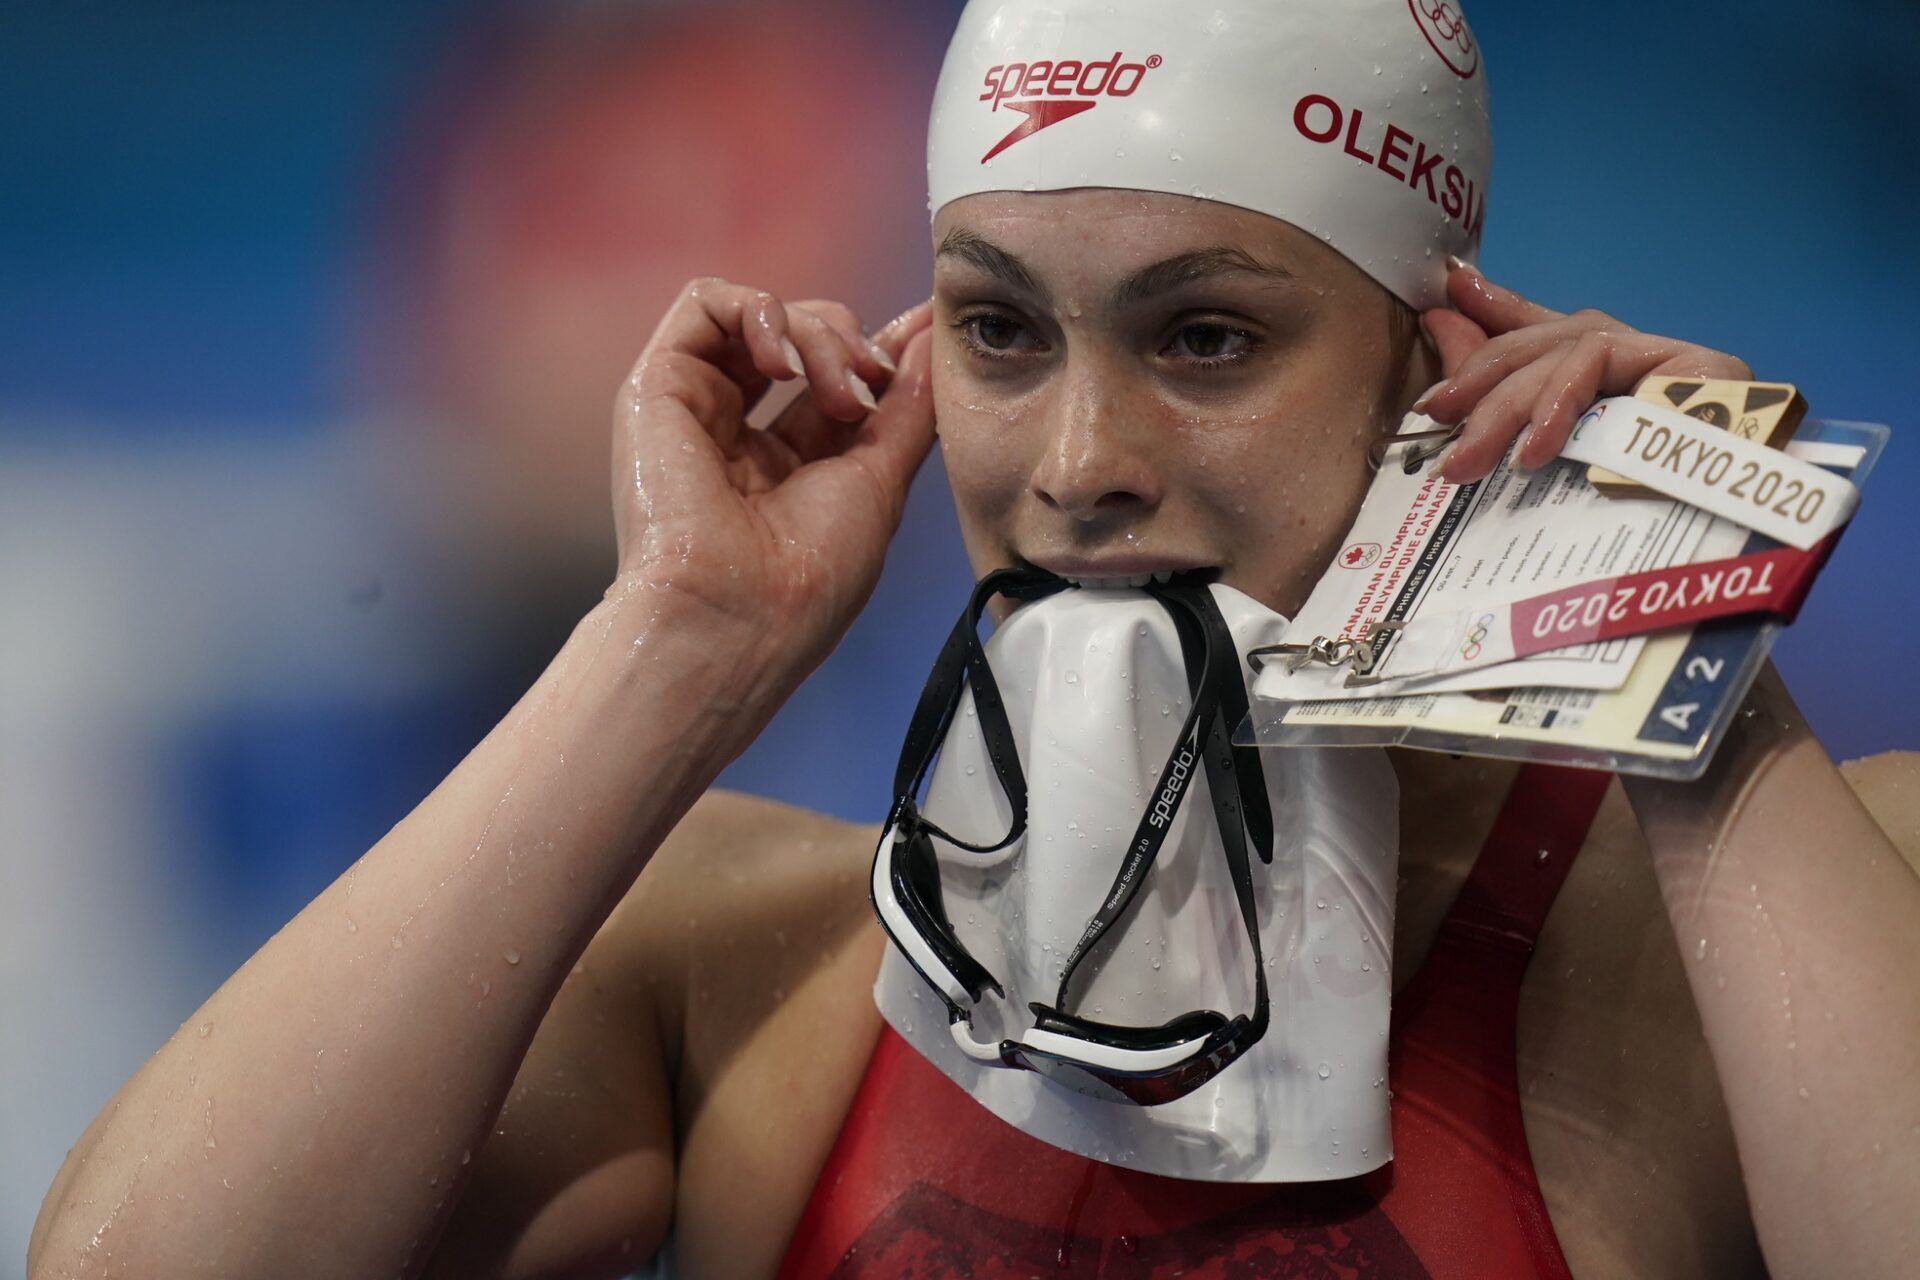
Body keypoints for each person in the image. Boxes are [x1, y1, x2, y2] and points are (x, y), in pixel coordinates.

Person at [28, 2, 1920, 1277]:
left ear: (1439, 367)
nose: (1083, 466)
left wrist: (1694, 678)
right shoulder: (751, 966)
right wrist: (677, 641)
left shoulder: (1763, 920)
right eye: (1005, 333)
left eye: (1207, 340)